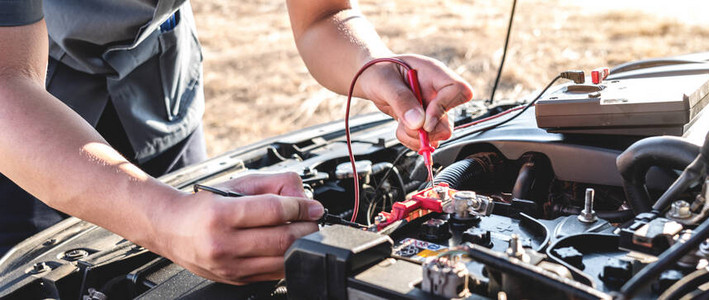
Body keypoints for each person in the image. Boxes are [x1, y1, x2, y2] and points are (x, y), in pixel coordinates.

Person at [0, 0, 473, 285]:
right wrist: (161, 218)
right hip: (25, 126)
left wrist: (374, 68)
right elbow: (5, 80)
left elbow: (322, 16)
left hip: (157, 88)